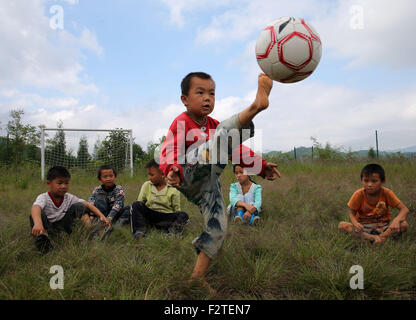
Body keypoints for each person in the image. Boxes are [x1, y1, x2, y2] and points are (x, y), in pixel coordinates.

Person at [159, 71, 280, 293]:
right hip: (187, 172)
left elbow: (237, 151)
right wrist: (172, 169)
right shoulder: (181, 122)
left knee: (218, 227)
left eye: (212, 93)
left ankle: (196, 278)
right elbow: (169, 150)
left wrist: (261, 167)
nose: (207, 98)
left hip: (209, 186)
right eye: (200, 92)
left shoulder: (214, 125)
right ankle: (256, 107)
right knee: (220, 137)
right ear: (184, 99)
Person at [30, 166, 111, 253]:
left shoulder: (69, 197)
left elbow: (87, 204)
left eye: (66, 183)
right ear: (49, 183)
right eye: (59, 183)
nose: (64, 186)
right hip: (47, 228)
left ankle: (90, 232)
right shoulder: (44, 197)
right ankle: (44, 241)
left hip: (63, 228)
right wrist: (38, 223)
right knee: (36, 215)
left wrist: (102, 216)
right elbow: (36, 207)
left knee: (79, 206)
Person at [338, 163, 409, 244]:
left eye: (374, 181)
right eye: (366, 180)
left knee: (403, 225)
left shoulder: (387, 193)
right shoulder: (358, 194)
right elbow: (351, 213)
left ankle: (380, 237)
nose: (369, 184)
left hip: (383, 226)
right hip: (364, 227)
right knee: (342, 225)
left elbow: (404, 209)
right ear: (362, 180)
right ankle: (374, 238)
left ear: (382, 182)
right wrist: (355, 223)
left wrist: (396, 220)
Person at [130, 159, 189, 239]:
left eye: (152, 175)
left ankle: (172, 234)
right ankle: (139, 232)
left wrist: (177, 218)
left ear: (162, 174)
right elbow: (140, 203)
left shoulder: (173, 189)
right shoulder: (147, 185)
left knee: (183, 215)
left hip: (165, 219)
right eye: (148, 175)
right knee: (136, 205)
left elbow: (176, 210)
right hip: (149, 217)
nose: (149, 177)